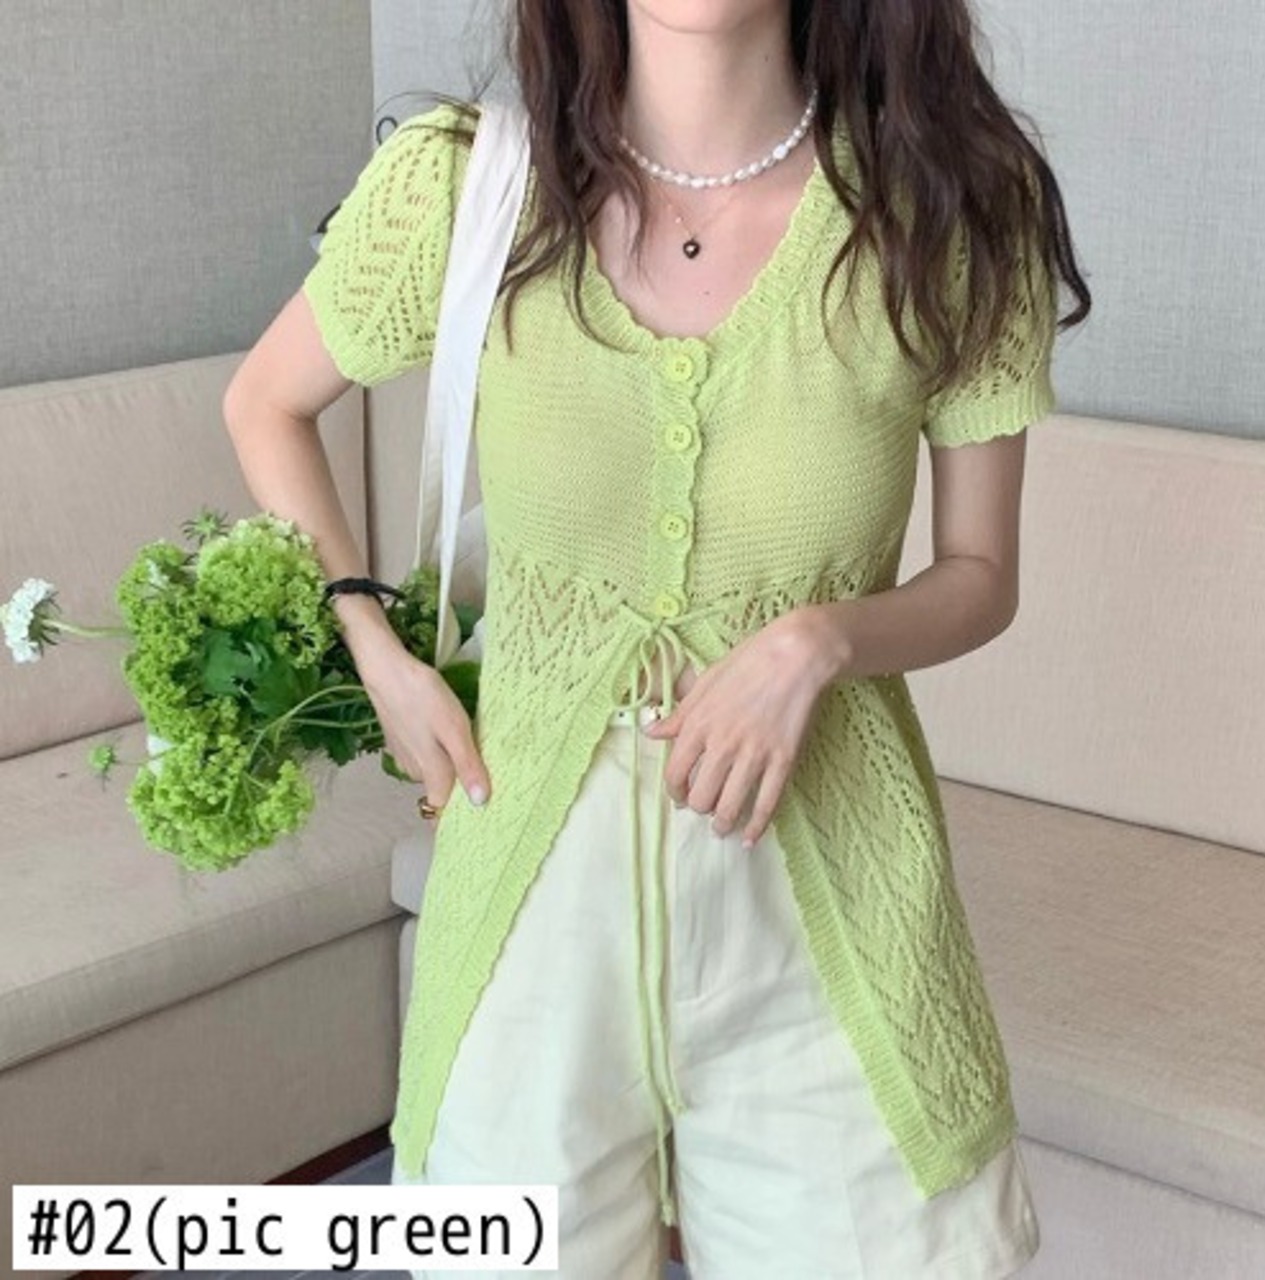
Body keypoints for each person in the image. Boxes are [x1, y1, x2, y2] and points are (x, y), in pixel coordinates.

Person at [223, 0, 1090, 1275]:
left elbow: (979, 575)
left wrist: (817, 641)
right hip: (524, 918)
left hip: (830, 917)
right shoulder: (467, 186)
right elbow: (265, 401)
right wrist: (373, 644)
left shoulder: (948, 204)